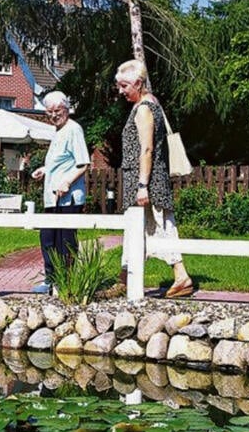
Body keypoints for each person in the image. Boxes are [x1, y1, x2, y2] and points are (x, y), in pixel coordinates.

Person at [110, 59, 193, 298]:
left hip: (148, 182)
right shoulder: (151, 104)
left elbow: (147, 149)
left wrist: (142, 185)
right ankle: (125, 278)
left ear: (138, 82)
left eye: (124, 85)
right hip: (145, 181)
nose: (121, 91)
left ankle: (181, 276)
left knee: (162, 227)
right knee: (137, 229)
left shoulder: (145, 108)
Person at [29, 91, 91, 294]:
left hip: (67, 198)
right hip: (52, 198)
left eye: (58, 111)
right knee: (48, 238)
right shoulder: (58, 131)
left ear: (66, 109)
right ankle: (51, 280)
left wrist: (66, 183)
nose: (54, 115)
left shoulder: (74, 129)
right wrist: (45, 170)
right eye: (50, 112)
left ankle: (64, 282)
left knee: (64, 242)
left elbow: (82, 163)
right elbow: (63, 161)